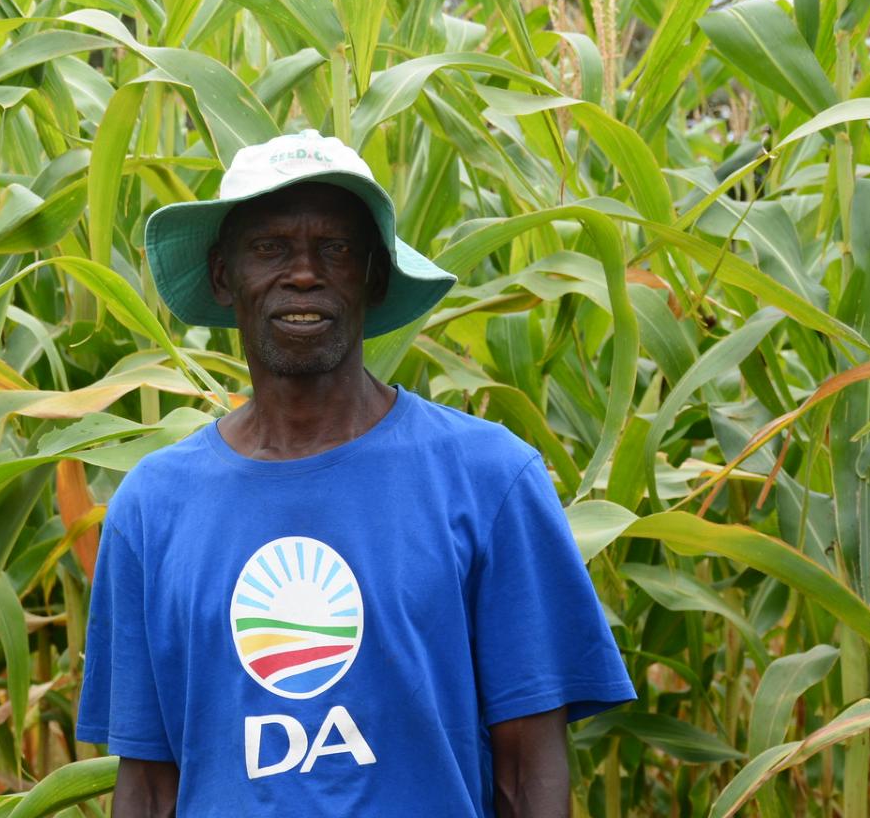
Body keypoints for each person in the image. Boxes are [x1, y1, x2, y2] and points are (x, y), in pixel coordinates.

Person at [76, 131, 634, 816]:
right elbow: (149, 786)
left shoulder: (490, 480)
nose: (304, 274)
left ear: (374, 274)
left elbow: (528, 767)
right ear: (224, 276)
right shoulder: (153, 508)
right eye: (270, 248)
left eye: (335, 249)